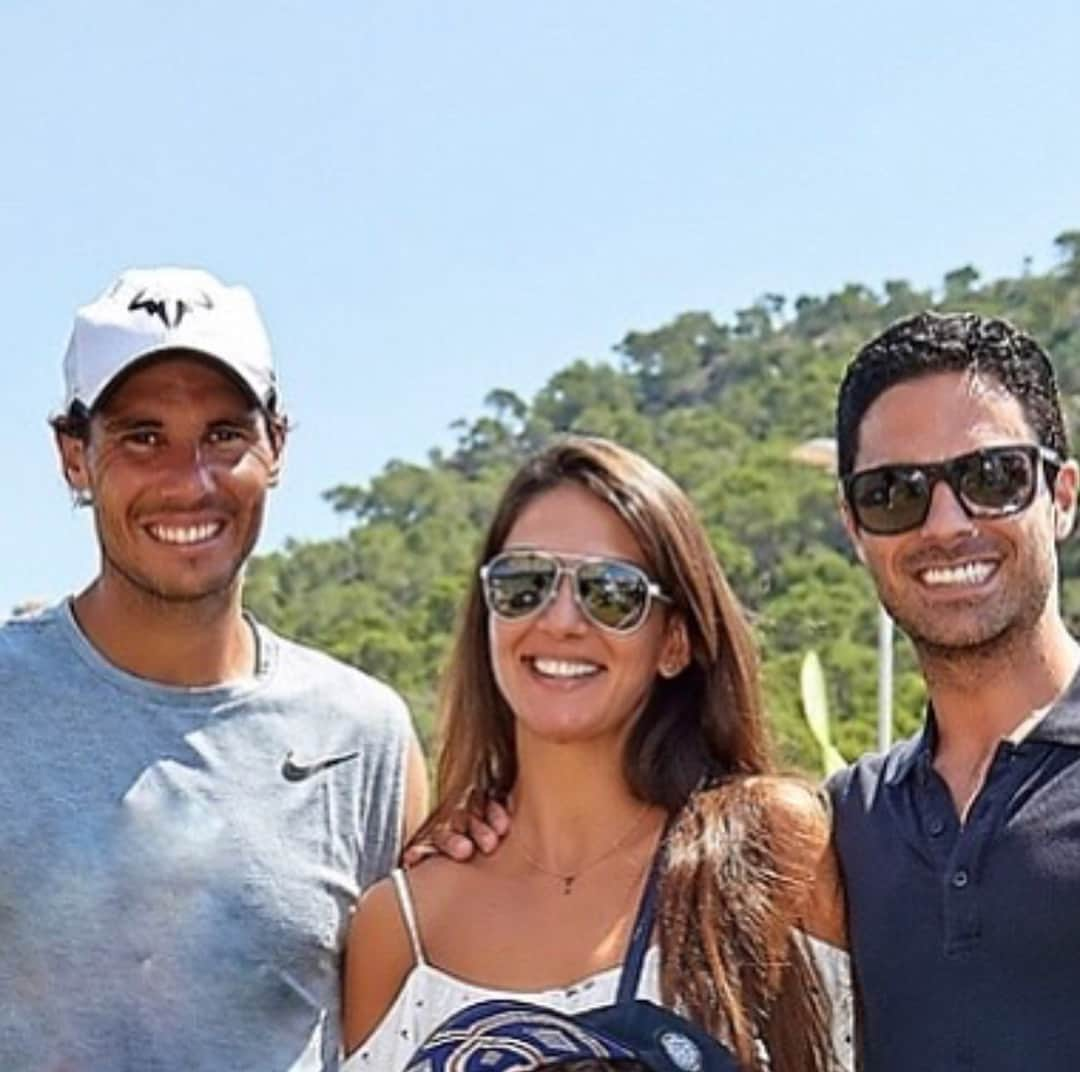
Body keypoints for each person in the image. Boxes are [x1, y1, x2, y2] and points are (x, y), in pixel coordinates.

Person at [0, 267, 427, 1071]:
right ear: (74, 457)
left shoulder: (364, 740)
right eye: (142, 437)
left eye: (224, 436)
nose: (188, 481)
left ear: (278, 448)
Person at [342, 436, 849, 1072]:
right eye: (524, 584)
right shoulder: (401, 925)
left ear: (674, 642)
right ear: (488, 618)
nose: (560, 620)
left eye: (611, 592)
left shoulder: (765, 850)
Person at [830, 311, 1080, 1070]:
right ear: (853, 526)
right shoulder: (843, 824)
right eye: (894, 492)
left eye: (991, 477)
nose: (945, 523)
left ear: (1061, 497)